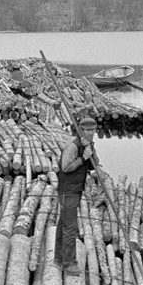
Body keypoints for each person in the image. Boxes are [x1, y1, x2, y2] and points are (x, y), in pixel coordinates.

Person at [56, 114, 97, 276]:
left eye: (93, 130)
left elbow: (93, 164)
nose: (90, 133)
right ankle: (69, 264)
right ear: (80, 130)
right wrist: (83, 158)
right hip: (67, 190)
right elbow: (65, 167)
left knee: (63, 225)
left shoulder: (87, 145)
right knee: (70, 228)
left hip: (76, 189)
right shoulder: (72, 146)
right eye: (87, 130)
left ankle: (58, 259)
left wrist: (90, 152)